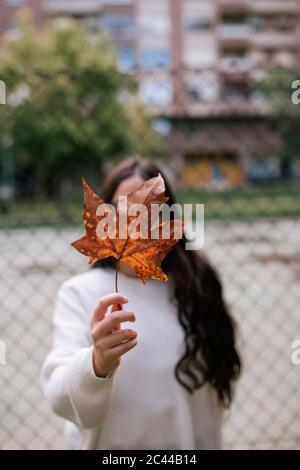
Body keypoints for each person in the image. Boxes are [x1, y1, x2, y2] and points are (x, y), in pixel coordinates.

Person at [41, 157, 241, 450]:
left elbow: (211, 404)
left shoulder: (196, 289)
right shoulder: (80, 294)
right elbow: (60, 396)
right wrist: (96, 363)